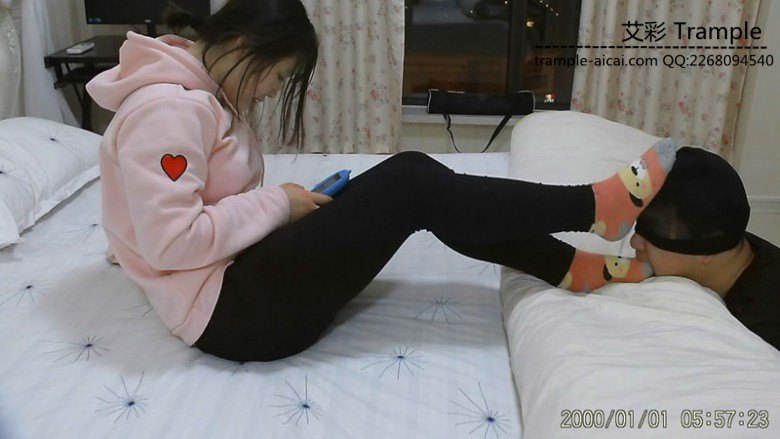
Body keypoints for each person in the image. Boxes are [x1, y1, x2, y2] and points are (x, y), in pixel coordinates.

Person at [86, 0, 676, 362]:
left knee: (415, 188)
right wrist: (277, 204)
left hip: (239, 284)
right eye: (277, 77)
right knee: (412, 181)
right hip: (235, 317)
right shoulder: (170, 110)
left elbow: (143, 215)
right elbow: (171, 241)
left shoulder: (197, 99)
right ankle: (596, 209)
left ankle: (573, 262)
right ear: (241, 45)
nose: (269, 93)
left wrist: (288, 208)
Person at [508, 147, 779, 351]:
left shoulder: (762, 328)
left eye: (654, 232)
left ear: (705, 251)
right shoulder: (738, 245)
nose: (634, 242)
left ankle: (587, 211)